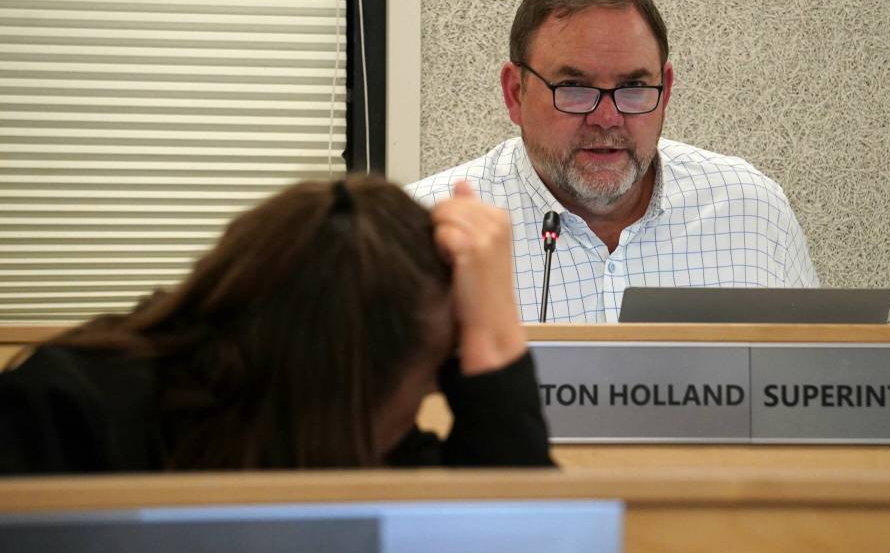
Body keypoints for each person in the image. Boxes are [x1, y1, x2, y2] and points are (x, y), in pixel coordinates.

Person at [0, 176, 552, 473]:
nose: (426, 397)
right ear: (353, 381)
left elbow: (526, 539)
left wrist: (494, 338)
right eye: (432, 371)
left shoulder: (358, 447)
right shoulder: (65, 417)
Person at [408, 0, 818, 323]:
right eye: (573, 87)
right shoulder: (420, 231)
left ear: (667, 89)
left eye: (634, 86)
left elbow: (812, 391)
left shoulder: (752, 211)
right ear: (516, 92)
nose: (607, 118)